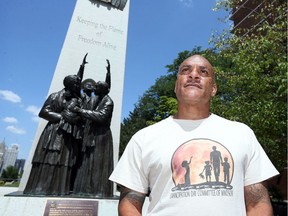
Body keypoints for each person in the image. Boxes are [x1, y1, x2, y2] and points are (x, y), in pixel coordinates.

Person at [109, 55, 279, 215]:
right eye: (185, 70)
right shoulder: (144, 138)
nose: (194, 75)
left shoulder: (243, 134)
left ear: (213, 89)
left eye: (203, 72)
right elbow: (129, 202)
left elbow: (258, 202)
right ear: (176, 86)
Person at [73, 60, 114, 197]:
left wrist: (81, 111)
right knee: (88, 162)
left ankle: (98, 190)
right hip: (92, 134)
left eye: (96, 87)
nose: (94, 88)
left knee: (98, 163)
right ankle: (85, 188)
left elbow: (101, 116)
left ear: (101, 90)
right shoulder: (97, 99)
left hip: (101, 136)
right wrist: (81, 68)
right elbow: (77, 86)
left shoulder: (108, 101)